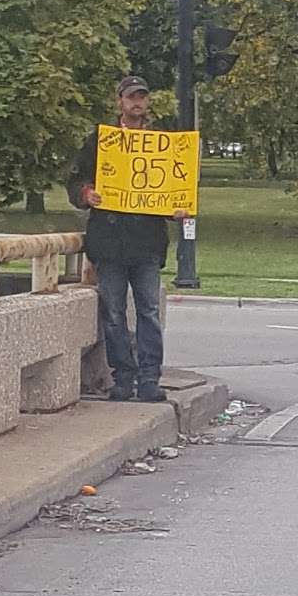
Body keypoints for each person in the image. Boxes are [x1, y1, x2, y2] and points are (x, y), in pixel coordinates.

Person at [66, 75, 182, 403]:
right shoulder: (101, 141)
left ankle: (149, 378)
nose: (137, 103)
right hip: (110, 241)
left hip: (146, 242)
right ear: (119, 101)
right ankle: (123, 377)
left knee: (147, 311)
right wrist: (86, 193)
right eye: (131, 97)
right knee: (114, 312)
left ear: (147, 103)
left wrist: (176, 208)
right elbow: (76, 179)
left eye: (142, 97)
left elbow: (174, 188)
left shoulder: (163, 142)